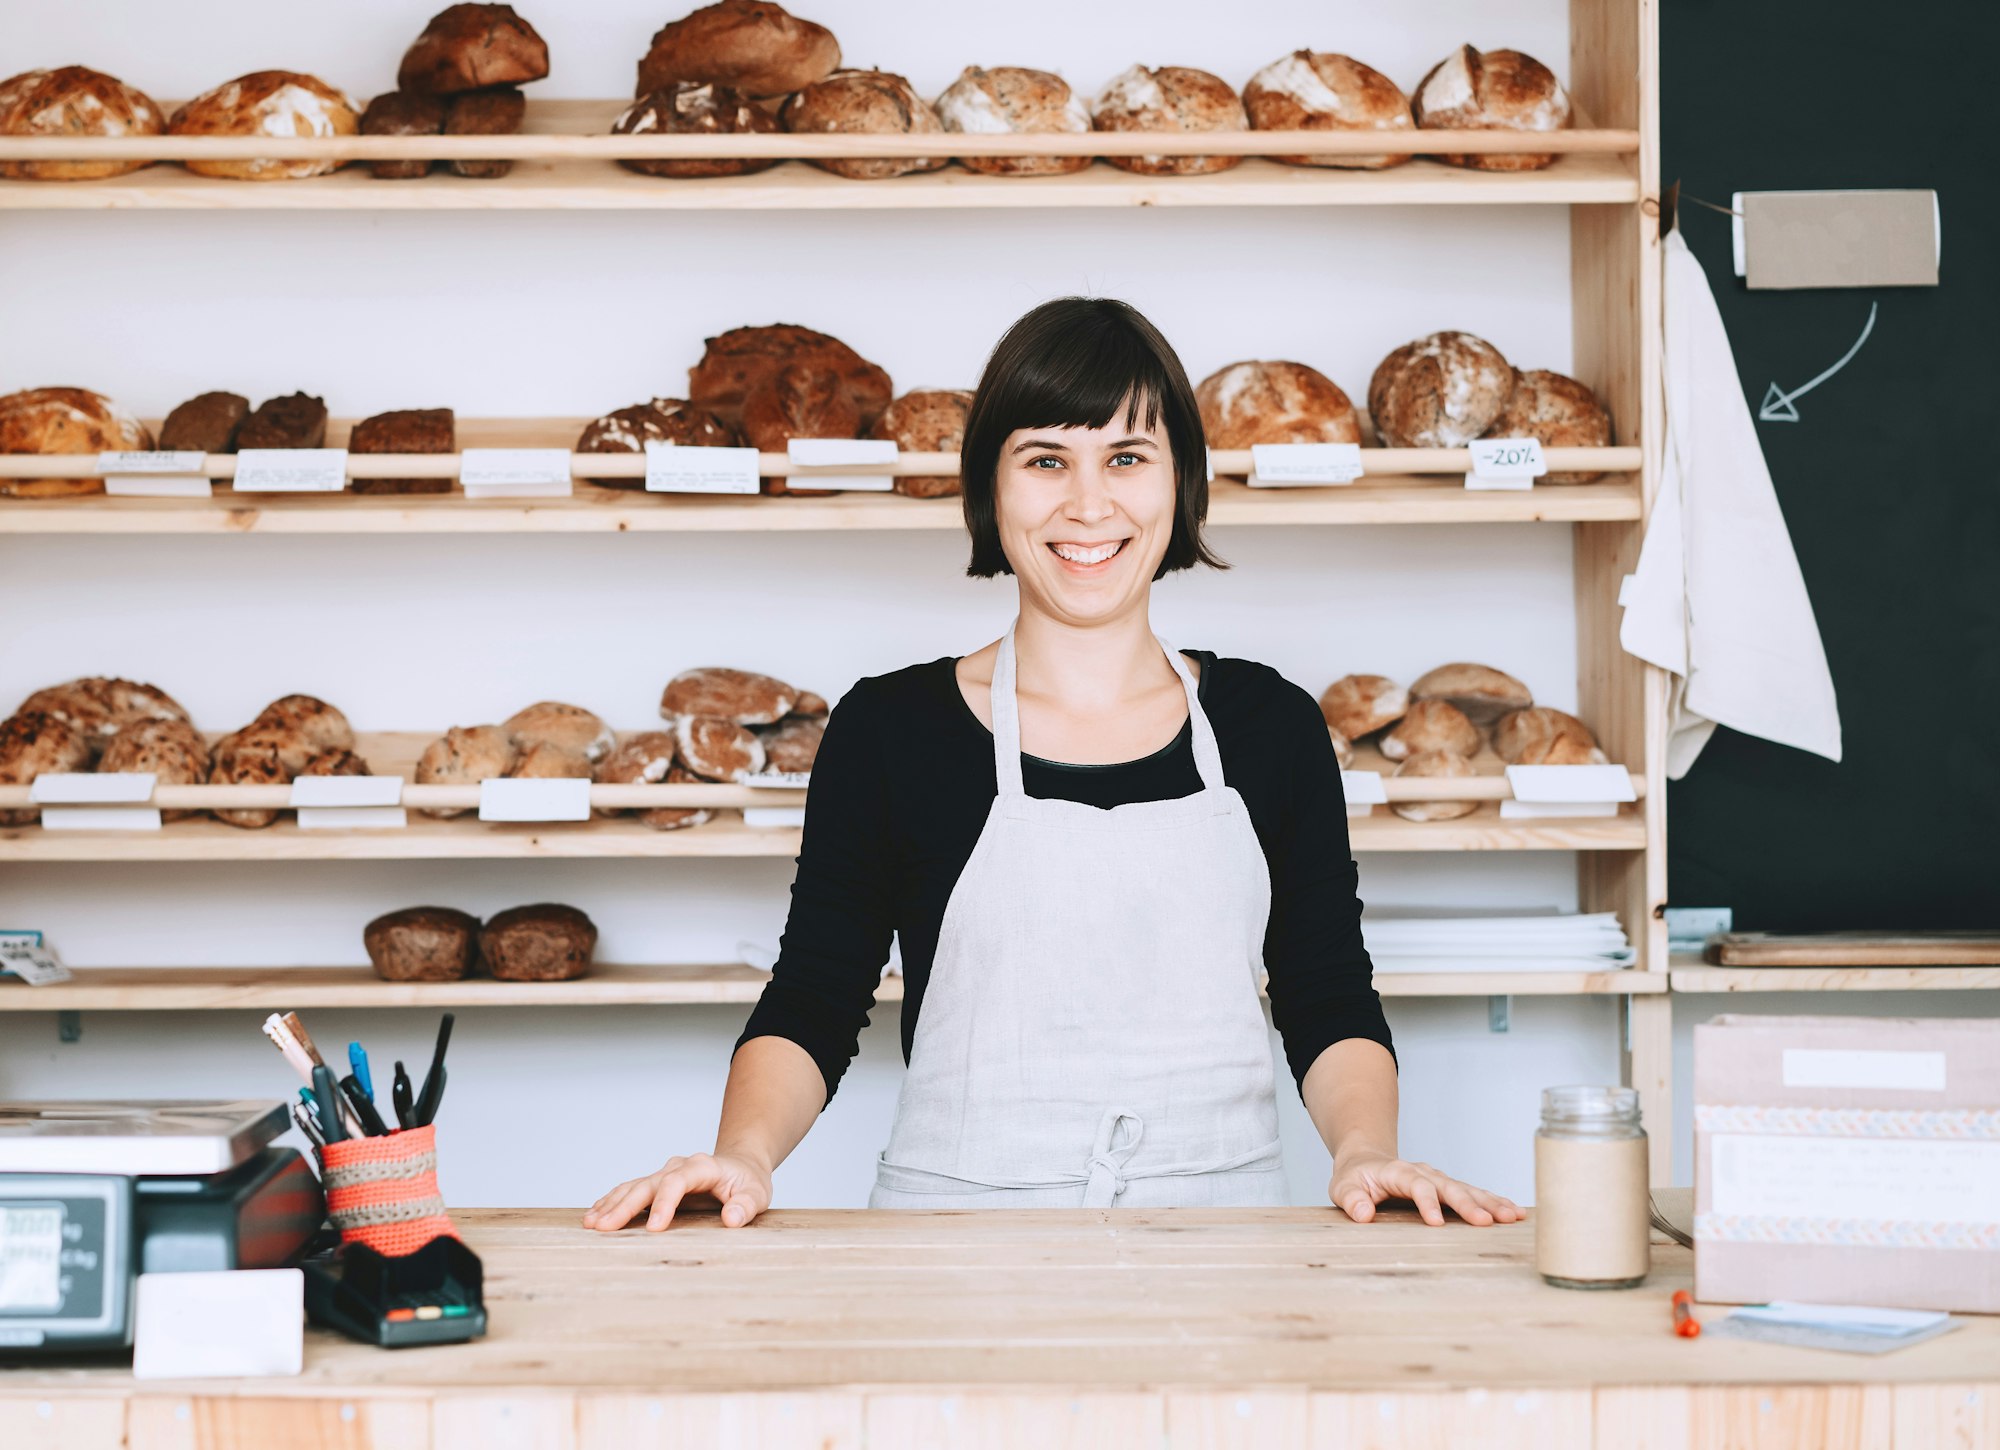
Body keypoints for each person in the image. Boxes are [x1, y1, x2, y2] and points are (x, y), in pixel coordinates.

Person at [585, 297, 1522, 1230]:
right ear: (991, 488)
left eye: (1127, 458)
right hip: (952, 1251)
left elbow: (1326, 992)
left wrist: (1367, 1154)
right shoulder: (891, 728)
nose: (1088, 504)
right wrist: (741, 1156)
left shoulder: (1269, 725)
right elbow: (815, 996)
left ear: (1180, 480)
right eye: (1045, 460)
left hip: (1227, 1250)